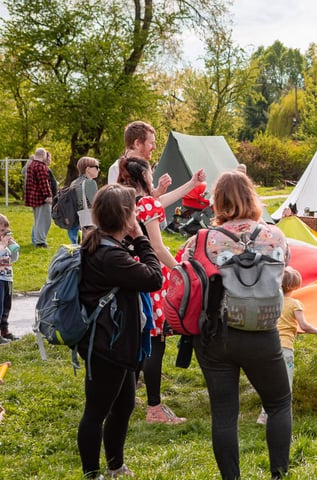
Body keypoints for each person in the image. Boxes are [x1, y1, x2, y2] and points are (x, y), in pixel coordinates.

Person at [183, 171, 292, 480]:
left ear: (217, 201)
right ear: (251, 196)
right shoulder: (275, 235)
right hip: (263, 331)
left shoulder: (201, 239)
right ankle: (279, 474)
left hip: (216, 334)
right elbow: (285, 270)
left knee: (224, 413)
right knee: (279, 403)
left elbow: (186, 277)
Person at [77, 184, 164, 479]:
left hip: (116, 343)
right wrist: (140, 237)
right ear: (125, 216)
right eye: (134, 211)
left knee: (124, 405)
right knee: (96, 412)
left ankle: (115, 466)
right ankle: (92, 474)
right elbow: (153, 278)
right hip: (107, 346)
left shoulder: (100, 243)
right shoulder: (109, 256)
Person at [118, 157, 206, 425]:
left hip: (127, 272)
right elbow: (157, 247)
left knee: (136, 340)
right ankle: (154, 408)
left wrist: (191, 184)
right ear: (144, 177)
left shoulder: (124, 201)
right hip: (150, 273)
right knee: (154, 342)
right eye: (150, 174)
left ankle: (124, 399)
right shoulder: (148, 203)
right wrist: (181, 270)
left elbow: (160, 201)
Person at [256, 267, 317, 425]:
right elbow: (304, 325)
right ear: (295, 285)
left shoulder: (270, 302)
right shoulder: (295, 304)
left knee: (269, 382)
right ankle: (283, 416)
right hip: (284, 348)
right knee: (284, 384)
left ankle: (264, 415)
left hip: (266, 346)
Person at [24, 147, 53, 248]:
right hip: (41, 198)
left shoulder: (31, 165)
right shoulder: (40, 166)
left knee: (37, 220)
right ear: (43, 155)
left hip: (33, 197)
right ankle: (41, 242)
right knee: (44, 220)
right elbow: (44, 182)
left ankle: (37, 240)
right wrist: (48, 195)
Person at [67, 157, 100, 244]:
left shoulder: (74, 182)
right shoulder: (90, 183)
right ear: (88, 169)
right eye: (96, 167)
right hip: (89, 222)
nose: (98, 170)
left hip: (76, 222)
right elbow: (96, 204)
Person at [0, 214, 20, 344]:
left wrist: (12, 248)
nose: (4, 233)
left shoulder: (5, 244)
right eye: (2, 230)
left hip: (7, 278)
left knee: (6, 305)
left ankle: (4, 330)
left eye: (6, 230)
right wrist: (2, 245)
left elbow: (13, 259)